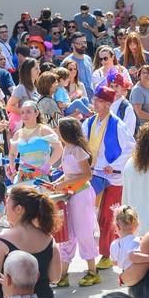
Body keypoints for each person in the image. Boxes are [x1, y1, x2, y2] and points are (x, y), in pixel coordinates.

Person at [82, 86, 136, 270]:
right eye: (94, 100)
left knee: (107, 216)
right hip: (93, 173)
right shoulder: (89, 123)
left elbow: (131, 148)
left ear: (108, 104)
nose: (95, 104)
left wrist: (112, 166)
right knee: (93, 215)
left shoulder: (118, 125)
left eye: (99, 101)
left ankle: (106, 253)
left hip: (112, 177)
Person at [0, 183, 61, 298]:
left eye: (7, 204)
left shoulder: (0, 241)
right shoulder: (49, 239)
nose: (5, 209)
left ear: (19, 209)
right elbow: (55, 278)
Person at [50, 117, 102, 287]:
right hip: (70, 195)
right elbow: (71, 174)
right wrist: (58, 183)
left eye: (59, 129)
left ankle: (92, 271)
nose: (56, 132)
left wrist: (64, 184)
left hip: (81, 195)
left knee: (83, 232)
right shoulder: (67, 149)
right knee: (67, 234)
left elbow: (87, 175)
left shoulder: (78, 150)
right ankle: (63, 273)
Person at [7, 101, 62, 183]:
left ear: (37, 113)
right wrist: (12, 168)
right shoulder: (18, 133)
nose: (25, 115)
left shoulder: (44, 130)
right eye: (22, 112)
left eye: (28, 112)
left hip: (41, 176)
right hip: (22, 177)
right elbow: (12, 153)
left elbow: (59, 148)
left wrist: (48, 165)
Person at [6, 58, 40, 132]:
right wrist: (27, 114)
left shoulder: (35, 87)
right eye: (36, 69)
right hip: (22, 127)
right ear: (28, 71)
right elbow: (9, 106)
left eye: (39, 68)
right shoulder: (21, 87)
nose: (39, 71)